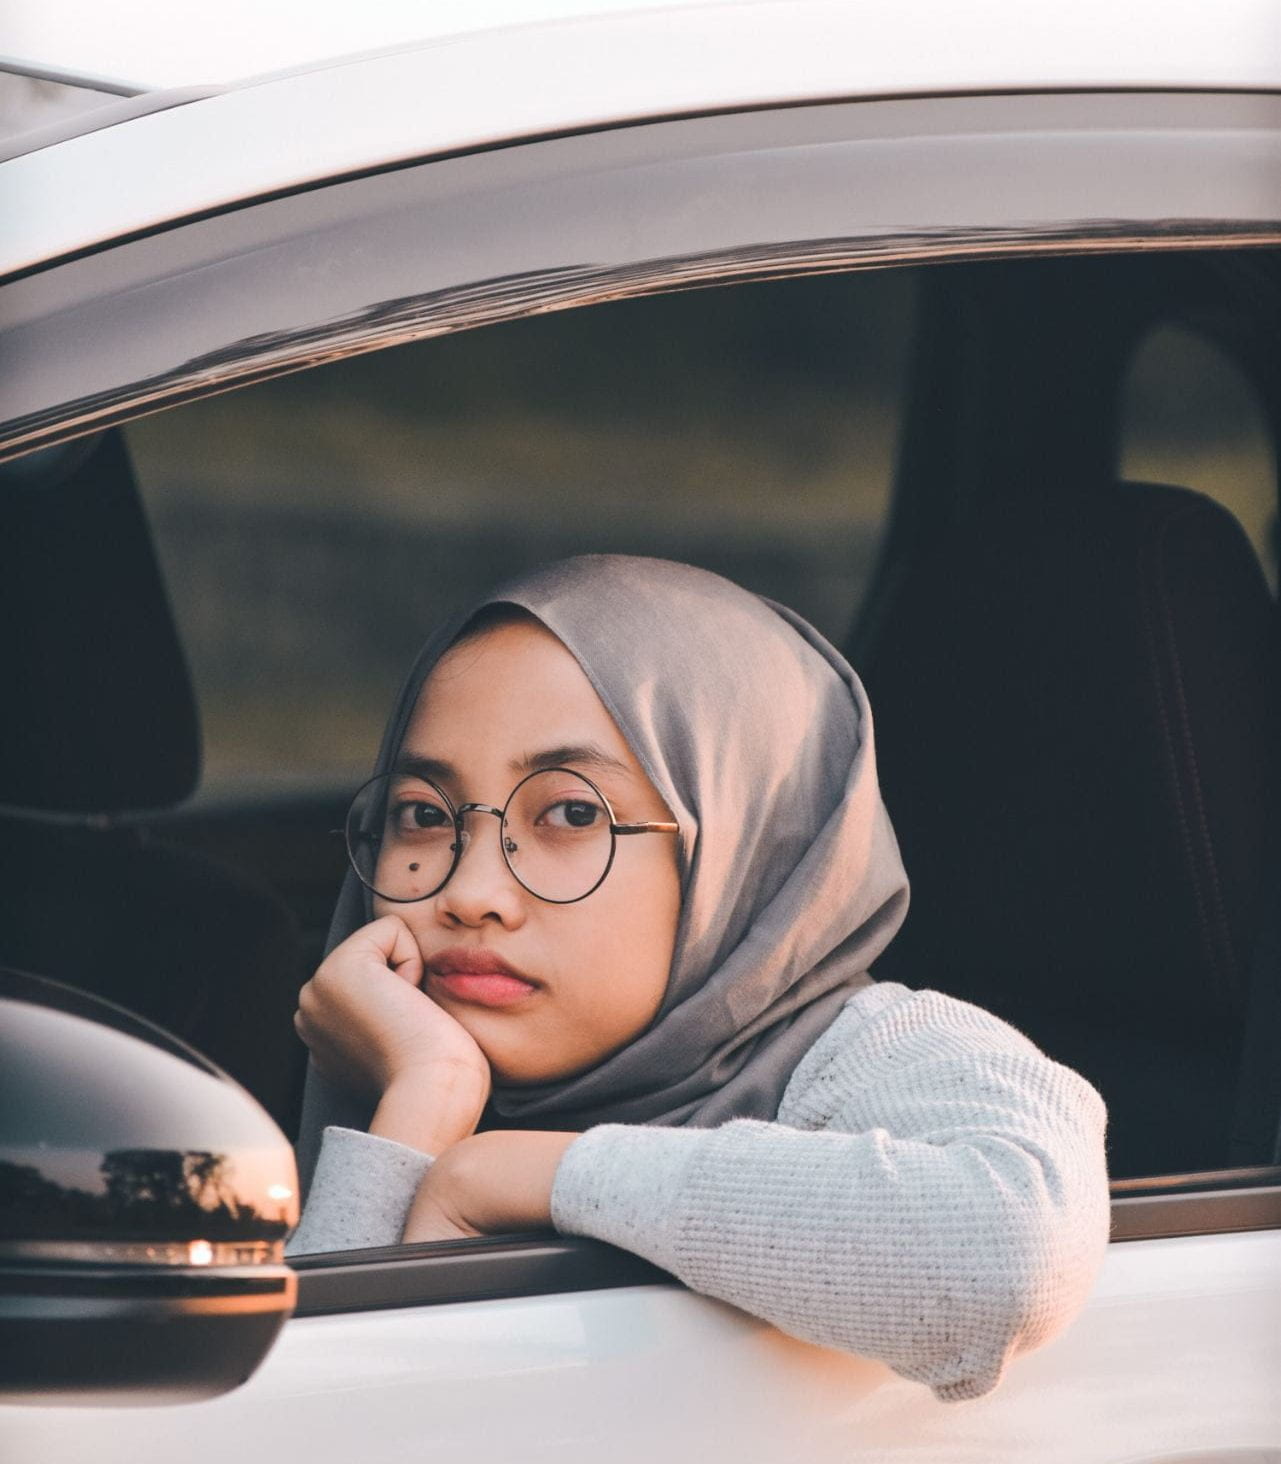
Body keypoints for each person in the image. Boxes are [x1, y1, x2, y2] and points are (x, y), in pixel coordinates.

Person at [289, 554, 1110, 1402]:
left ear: (743, 840)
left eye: (572, 814)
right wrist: (426, 1096)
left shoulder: (873, 1056)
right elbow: (314, 1423)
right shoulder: (399, 1062)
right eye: (423, 815)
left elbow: (1004, 1254)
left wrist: (519, 1177)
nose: (469, 894)